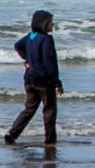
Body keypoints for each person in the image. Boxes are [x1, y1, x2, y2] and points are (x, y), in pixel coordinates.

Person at [5, 9, 63, 145]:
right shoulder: (47, 39)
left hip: (29, 79)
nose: (53, 25)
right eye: (51, 23)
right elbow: (50, 63)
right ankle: (50, 140)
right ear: (43, 24)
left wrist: (28, 60)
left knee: (29, 109)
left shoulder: (30, 37)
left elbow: (17, 46)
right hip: (43, 80)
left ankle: (12, 133)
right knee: (49, 109)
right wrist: (57, 82)